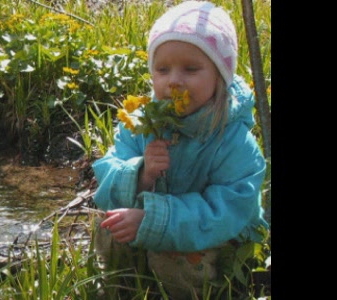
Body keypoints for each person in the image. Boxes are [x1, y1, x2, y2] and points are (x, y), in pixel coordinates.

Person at [91, 1, 269, 299]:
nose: (174, 80)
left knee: (177, 261)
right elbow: (108, 175)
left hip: (218, 239)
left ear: (219, 78)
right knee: (109, 228)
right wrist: (141, 174)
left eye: (190, 69)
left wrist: (151, 219)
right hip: (156, 224)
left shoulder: (233, 141)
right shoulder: (142, 123)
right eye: (163, 69)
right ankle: (120, 288)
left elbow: (224, 213)